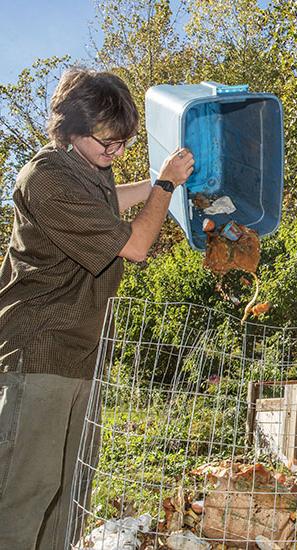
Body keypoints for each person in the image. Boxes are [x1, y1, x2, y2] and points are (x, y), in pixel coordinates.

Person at [0, 68, 194, 549]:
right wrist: (166, 187)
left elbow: (120, 198)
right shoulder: (45, 178)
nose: (115, 153)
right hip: (39, 353)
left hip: (83, 356)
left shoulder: (90, 171)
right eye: (106, 143)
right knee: (25, 495)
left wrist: (167, 185)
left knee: (69, 498)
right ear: (68, 128)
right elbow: (135, 245)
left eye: (122, 143)